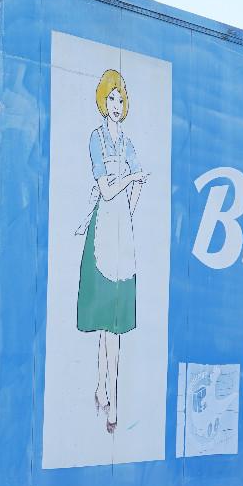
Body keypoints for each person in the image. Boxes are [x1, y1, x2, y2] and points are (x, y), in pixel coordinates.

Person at [76, 68, 149, 434]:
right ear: (102, 102)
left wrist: (128, 210)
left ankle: (106, 392)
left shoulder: (128, 143)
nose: (116, 105)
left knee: (115, 326)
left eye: (121, 99)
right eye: (111, 98)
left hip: (122, 236)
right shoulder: (97, 139)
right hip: (103, 234)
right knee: (107, 321)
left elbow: (138, 185)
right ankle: (108, 397)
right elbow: (106, 190)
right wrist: (131, 180)